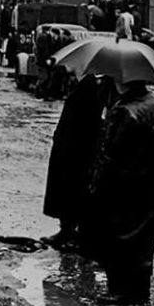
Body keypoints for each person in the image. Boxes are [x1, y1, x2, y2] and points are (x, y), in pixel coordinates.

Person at [87, 77, 154, 305]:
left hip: (120, 185)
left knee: (118, 236)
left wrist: (95, 184)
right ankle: (140, 289)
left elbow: (109, 154)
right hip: (147, 183)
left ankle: (120, 290)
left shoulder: (123, 110)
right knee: (143, 237)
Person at [42, 75, 108, 250]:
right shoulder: (85, 83)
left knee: (76, 189)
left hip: (79, 148)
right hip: (69, 145)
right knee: (67, 189)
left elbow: (92, 120)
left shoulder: (94, 86)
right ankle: (67, 230)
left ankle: (77, 234)